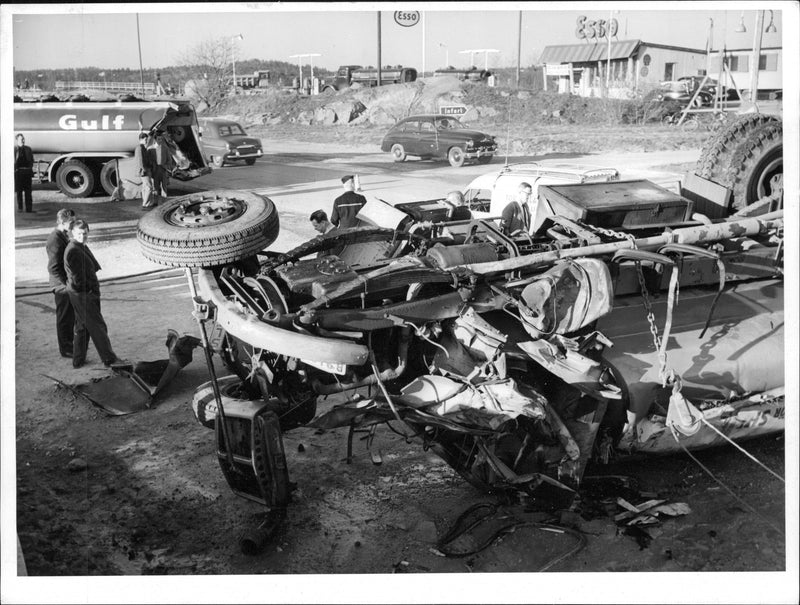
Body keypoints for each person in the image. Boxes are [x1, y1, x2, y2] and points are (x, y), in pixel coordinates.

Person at [64, 219, 121, 369]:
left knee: (82, 326)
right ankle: (109, 358)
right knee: (97, 326)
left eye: (85, 234)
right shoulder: (74, 250)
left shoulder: (78, 245)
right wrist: (88, 291)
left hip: (80, 293)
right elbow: (77, 279)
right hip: (83, 294)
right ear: (72, 233)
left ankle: (78, 360)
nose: (82, 236)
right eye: (79, 234)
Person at [46, 208, 76, 358]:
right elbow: (53, 267)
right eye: (71, 223)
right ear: (62, 222)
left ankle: (70, 344)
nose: (73, 225)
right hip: (60, 285)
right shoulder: (55, 239)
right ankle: (66, 349)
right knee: (64, 317)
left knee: (70, 316)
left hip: (64, 283)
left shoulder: (62, 235)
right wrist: (64, 285)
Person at [134, 132, 156, 209]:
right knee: (149, 187)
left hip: (145, 170)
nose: (146, 141)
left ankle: (148, 203)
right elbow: (140, 160)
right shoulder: (140, 148)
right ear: (141, 139)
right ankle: (145, 204)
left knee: (145, 187)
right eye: (145, 139)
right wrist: (143, 170)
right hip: (144, 171)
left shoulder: (142, 147)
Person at [15, 133, 35, 213]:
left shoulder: (28, 149)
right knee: (19, 191)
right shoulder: (14, 149)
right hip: (18, 172)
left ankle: (29, 209)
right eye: (21, 139)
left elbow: (32, 160)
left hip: (27, 172)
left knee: (28, 192)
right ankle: (20, 208)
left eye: (23, 139)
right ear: (17, 140)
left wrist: (30, 168)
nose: (23, 140)